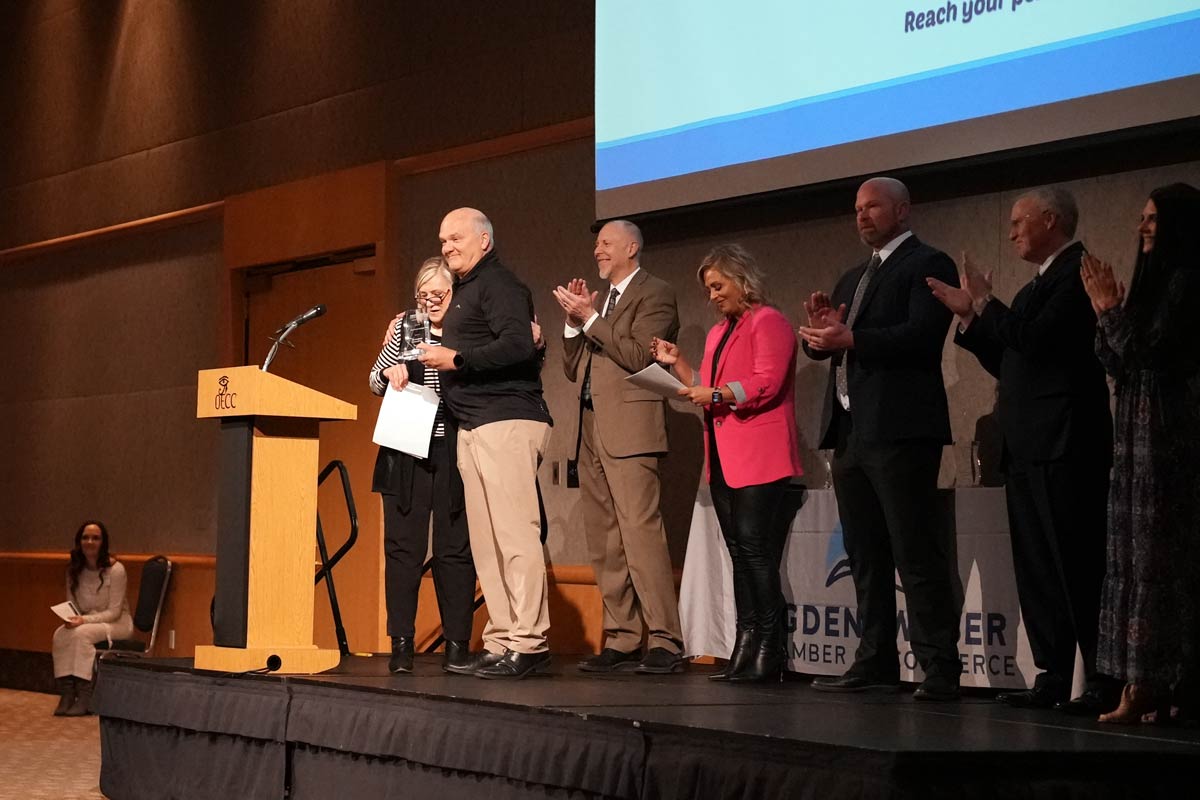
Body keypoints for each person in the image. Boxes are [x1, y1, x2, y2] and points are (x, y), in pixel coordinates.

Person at [927, 187, 1118, 714]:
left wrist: (987, 303)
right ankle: (1053, 675)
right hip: (1029, 445)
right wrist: (971, 319)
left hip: (1065, 444)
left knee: (1076, 564)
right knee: (1036, 568)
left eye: (1018, 222)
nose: (1010, 232)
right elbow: (1014, 362)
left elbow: (1035, 342)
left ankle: (1101, 679)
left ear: (1051, 220)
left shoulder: (1077, 274)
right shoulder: (1039, 285)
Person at [798, 177, 962, 701]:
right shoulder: (851, 278)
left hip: (901, 432)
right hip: (851, 433)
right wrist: (822, 334)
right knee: (865, 554)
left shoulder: (927, 263)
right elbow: (835, 346)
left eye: (873, 207)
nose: (862, 216)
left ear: (903, 210)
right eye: (857, 209)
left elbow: (921, 338)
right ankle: (875, 659)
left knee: (915, 552)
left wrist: (852, 338)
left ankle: (939, 667)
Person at [652, 244, 803, 682]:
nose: (713, 295)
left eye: (719, 286)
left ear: (742, 279)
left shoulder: (768, 321)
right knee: (739, 552)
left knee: (756, 552)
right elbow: (707, 387)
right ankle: (745, 640)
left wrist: (715, 395)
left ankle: (769, 648)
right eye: (708, 289)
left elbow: (766, 384)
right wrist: (678, 365)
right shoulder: (720, 332)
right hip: (722, 456)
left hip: (761, 455)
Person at [416, 207, 554, 680]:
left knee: (515, 535)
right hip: (473, 427)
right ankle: (502, 639)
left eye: (456, 237)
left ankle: (530, 642)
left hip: (507, 420)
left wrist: (456, 357)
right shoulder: (465, 290)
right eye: (442, 239)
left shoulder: (499, 285)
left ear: (485, 242)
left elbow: (518, 345)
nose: (447, 246)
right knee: (487, 542)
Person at [1082, 183, 1200, 724]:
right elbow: (1116, 357)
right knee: (1130, 563)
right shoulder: (1154, 284)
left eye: (1152, 218)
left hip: (1170, 447)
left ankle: (1167, 685)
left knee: (1163, 568)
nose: (1142, 227)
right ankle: (1140, 683)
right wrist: (1106, 313)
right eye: (1140, 216)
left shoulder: (1189, 284)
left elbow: (1149, 353)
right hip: (1134, 446)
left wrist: (1110, 313)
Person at [552, 220, 686, 675]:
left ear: (632, 246)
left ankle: (665, 639)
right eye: (595, 244)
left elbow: (637, 356)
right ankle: (623, 637)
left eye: (606, 243)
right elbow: (573, 369)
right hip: (590, 427)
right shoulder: (601, 303)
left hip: (632, 427)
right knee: (604, 538)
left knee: (640, 533)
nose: (597, 250)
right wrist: (574, 324)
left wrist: (590, 319)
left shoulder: (656, 293)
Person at [369, 257, 477, 674]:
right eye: (424, 294)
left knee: (454, 551)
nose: (431, 301)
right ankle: (401, 645)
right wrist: (391, 371)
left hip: (453, 451)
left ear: (454, 294)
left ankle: (456, 645)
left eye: (439, 293)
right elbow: (374, 379)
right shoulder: (404, 328)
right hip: (406, 451)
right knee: (403, 550)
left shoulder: (465, 330)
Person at [52, 521, 132, 716]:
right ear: (79, 542)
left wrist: (83, 621)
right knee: (60, 634)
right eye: (85, 537)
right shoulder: (74, 570)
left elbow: (114, 612)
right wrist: (70, 618)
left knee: (81, 635)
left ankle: (86, 695)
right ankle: (68, 693)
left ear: (103, 542)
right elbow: (73, 606)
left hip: (117, 623)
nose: (90, 541)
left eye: (95, 538)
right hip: (85, 622)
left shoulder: (116, 569)